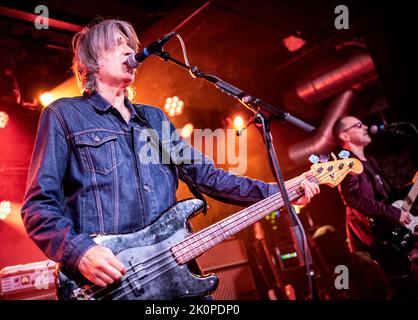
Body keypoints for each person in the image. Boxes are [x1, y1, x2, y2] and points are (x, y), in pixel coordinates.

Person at [21, 18, 319, 293]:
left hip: (176, 276)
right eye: (117, 45)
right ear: (91, 61)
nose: (129, 52)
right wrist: (80, 252)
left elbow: (209, 177)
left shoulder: (154, 119)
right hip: (110, 287)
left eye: (131, 46)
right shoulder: (64, 115)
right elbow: (38, 207)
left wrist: (281, 190)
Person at [332, 115, 417, 299]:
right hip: (378, 237)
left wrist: (413, 187)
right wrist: (393, 214)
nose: (366, 127)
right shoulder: (346, 165)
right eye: (359, 125)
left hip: (391, 231)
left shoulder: (370, 161)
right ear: (345, 136)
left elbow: (388, 196)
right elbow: (353, 199)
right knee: (401, 291)